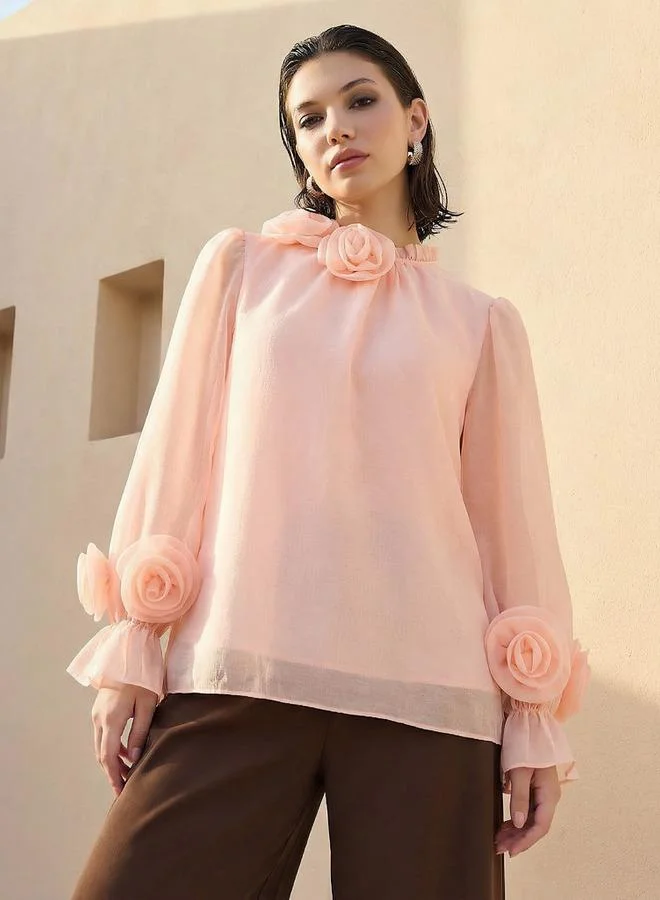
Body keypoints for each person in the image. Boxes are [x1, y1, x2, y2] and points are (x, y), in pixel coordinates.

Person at [66, 23, 591, 900]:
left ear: (415, 119)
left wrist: (532, 720)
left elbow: (511, 525)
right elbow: (174, 457)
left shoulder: (479, 323)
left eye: (360, 100)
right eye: (308, 119)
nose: (335, 127)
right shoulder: (241, 270)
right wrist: (134, 650)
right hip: (240, 664)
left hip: (431, 690)